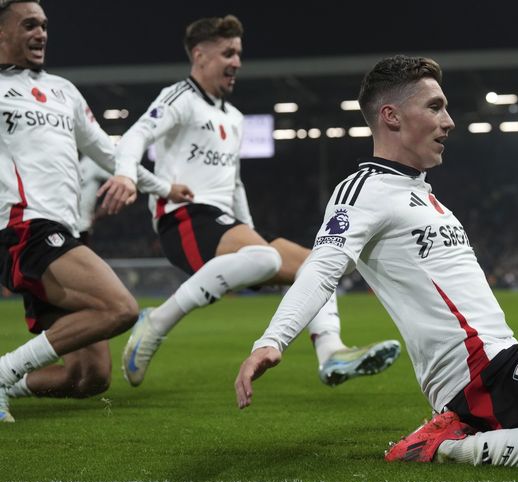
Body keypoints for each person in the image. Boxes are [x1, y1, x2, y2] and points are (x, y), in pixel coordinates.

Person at [235, 55, 518, 469]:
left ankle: (498, 424)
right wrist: (272, 340)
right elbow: (322, 267)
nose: (449, 121)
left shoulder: (423, 194)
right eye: (435, 107)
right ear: (392, 116)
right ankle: (447, 444)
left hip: (508, 351)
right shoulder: (363, 190)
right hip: (476, 373)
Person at [114, 15, 400, 389]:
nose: (237, 62)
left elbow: (234, 183)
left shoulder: (233, 117)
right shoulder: (180, 98)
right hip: (182, 219)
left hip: (224, 224)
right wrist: (127, 175)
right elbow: (136, 135)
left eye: (239, 54)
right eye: (227, 53)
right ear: (199, 56)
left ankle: (331, 352)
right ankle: (158, 321)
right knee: (266, 256)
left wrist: (248, 229)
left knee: (319, 264)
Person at [0, 0, 190, 423]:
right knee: (120, 307)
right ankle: (2, 373)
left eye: (45, 26)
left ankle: (12, 381)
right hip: (24, 225)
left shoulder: (63, 90)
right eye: (29, 24)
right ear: (2, 34)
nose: (41, 33)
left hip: (62, 231)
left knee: (88, 378)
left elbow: (108, 151)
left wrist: (162, 187)